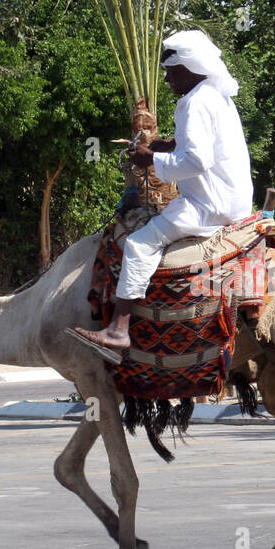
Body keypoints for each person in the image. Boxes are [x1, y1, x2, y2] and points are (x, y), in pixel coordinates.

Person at [72, 30, 254, 354]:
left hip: (209, 205)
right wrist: (170, 145)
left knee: (140, 243)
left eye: (171, 72)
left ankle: (118, 329)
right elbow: (208, 145)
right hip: (235, 198)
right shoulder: (215, 94)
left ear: (188, 68)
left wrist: (151, 159)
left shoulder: (193, 102)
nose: (168, 80)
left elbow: (199, 160)